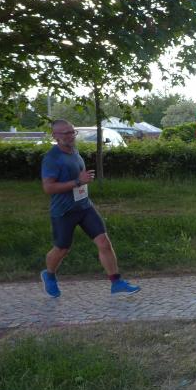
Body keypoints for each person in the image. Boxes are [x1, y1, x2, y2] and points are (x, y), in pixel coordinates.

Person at [40, 119, 140, 297]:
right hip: (64, 211)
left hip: (85, 206)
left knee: (104, 242)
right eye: (65, 133)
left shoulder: (74, 151)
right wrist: (78, 181)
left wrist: (82, 181)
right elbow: (48, 188)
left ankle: (116, 283)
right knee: (62, 249)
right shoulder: (52, 158)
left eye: (72, 132)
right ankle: (49, 275)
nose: (71, 136)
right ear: (55, 136)